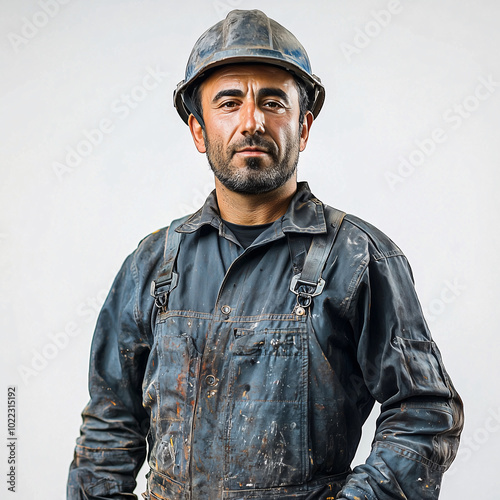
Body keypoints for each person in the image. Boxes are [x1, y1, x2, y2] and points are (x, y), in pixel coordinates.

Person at [67, 9, 463, 500]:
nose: (251, 122)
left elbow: (424, 412)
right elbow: (109, 425)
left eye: (273, 102)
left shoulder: (359, 259)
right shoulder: (150, 266)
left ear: (304, 127)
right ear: (198, 130)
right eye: (229, 103)